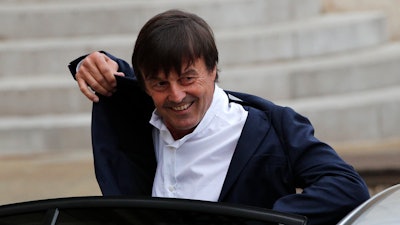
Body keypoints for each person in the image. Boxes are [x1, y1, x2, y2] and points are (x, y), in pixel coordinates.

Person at [68, 9, 369, 225]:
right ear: (147, 86)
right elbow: (119, 80)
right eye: (160, 84)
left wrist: (272, 220)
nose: (175, 96)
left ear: (213, 70)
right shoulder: (141, 117)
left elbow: (346, 186)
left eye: (188, 79)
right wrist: (92, 62)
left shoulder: (273, 130)